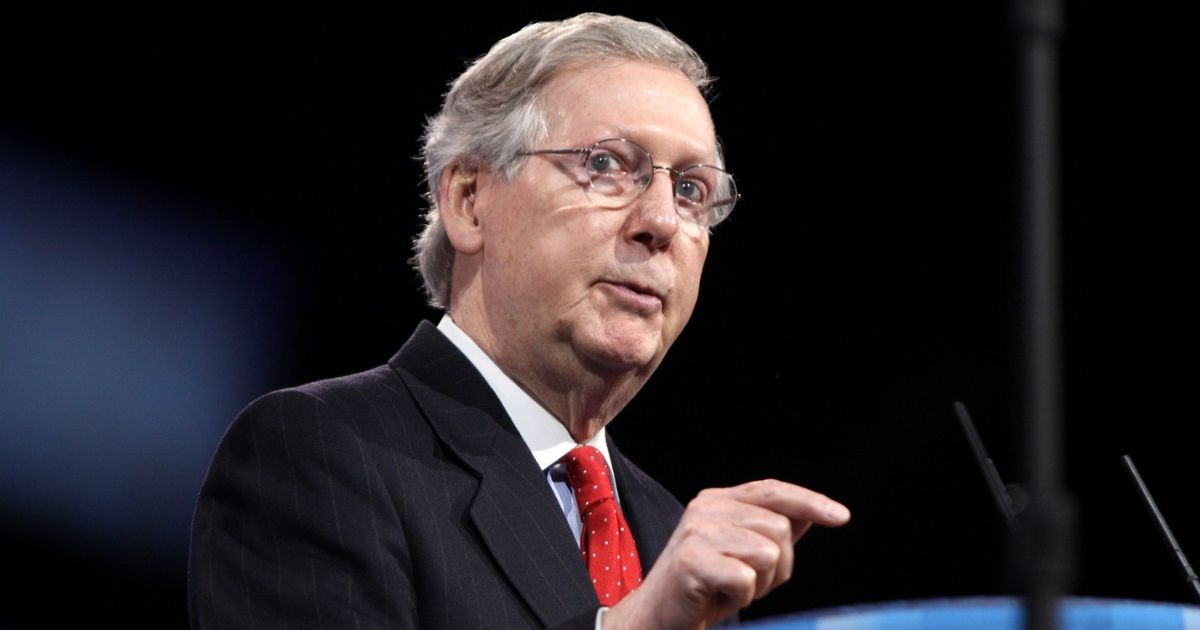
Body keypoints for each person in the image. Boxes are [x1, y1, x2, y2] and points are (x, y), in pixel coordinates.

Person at [189, 12, 850, 629]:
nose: (660, 223)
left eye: (690, 191)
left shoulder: (668, 536)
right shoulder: (318, 454)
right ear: (470, 201)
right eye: (606, 166)